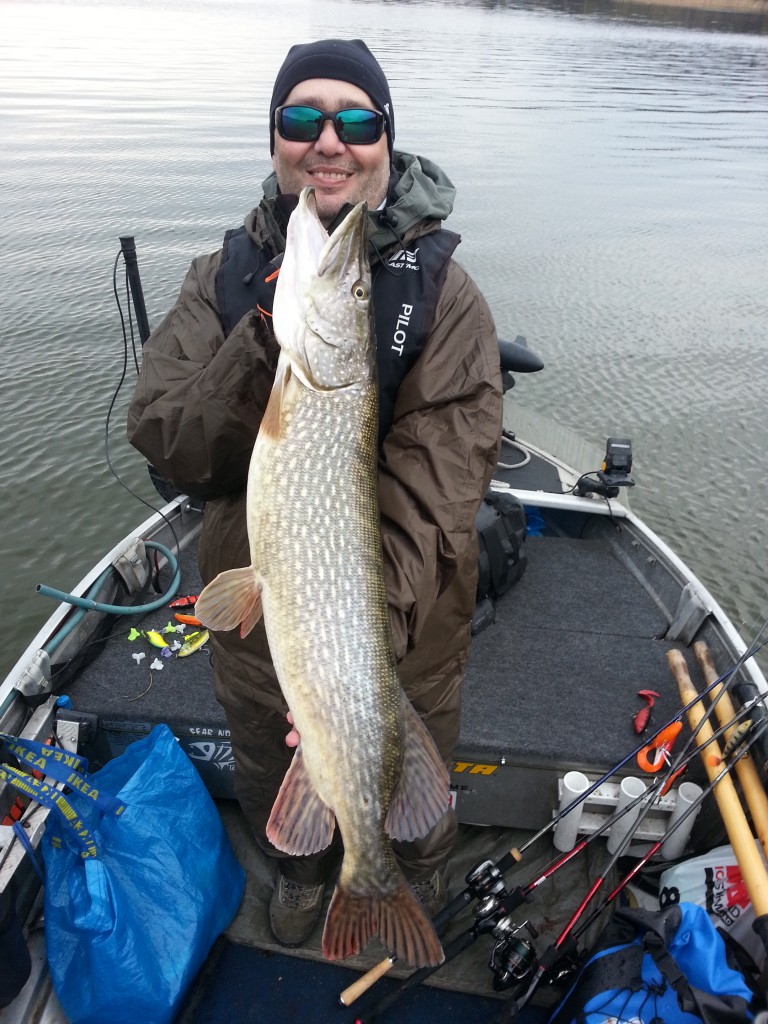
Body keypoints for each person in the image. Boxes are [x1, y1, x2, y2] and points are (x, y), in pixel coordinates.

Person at [127, 38, 502, 949]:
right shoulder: (222, 283)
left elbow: (435, 500)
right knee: (269, 765)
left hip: (398, 633)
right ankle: (302, 875)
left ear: (384, 141)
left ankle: (405, 870)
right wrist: (262, 332)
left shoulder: (448, 300)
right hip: (259, 628)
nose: (328, 142)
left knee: (408, 772)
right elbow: (171, 443)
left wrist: (348, 664)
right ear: (275, 142)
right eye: (303, 119)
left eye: (355, 121)